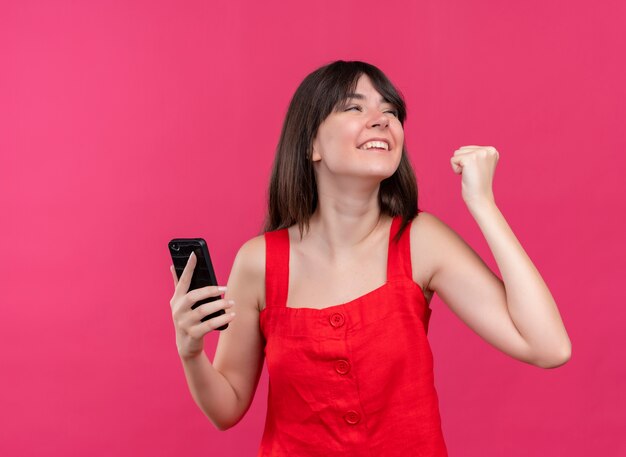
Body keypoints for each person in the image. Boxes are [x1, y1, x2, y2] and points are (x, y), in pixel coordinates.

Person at [168, 60, 572, 456]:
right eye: (354, 107)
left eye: (390, 111)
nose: (381, 120)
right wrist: (191, 351)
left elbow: (549, 347)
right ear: (311, 145)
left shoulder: (421, 240)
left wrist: (483, 204)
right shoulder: (259, 261)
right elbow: (227, 407)